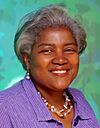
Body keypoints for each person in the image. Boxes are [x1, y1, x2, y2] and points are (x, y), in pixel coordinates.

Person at [0, 5, 99, 128]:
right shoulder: (4, 106)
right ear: (27, 59)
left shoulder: (80, 100)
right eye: (47, 51)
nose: (61, 59)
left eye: (69, 49)